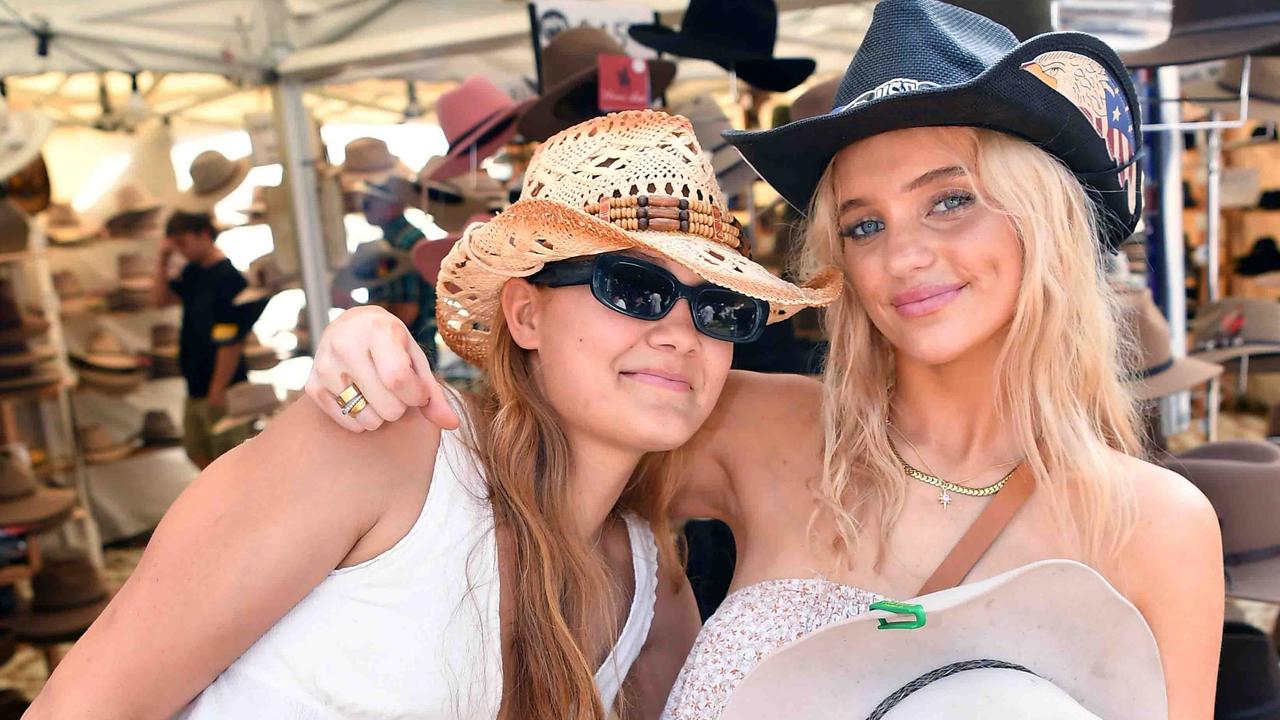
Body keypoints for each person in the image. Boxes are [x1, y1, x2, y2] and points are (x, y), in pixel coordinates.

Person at [302, 3, 1224, 718]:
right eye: (865, 224)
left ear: (1047, 224)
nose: (903, 256)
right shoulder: (746, 422)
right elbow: (505, 464)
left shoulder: (1154, 527)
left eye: (950, 202)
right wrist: (373, 347)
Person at [27, 111, 835, 720]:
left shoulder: (649, 593)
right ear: (525, 316)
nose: (679, 332)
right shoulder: (389, 451)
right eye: (633, 287)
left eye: (720, 308)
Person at [151, 210, 252, 468]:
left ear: (204, 234)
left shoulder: (228, 279)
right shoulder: (195, 273)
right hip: (196, 385)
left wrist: (218, 389)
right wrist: (162, 259)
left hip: (222, 386)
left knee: (231, 461)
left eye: (183, 243)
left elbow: (231, 338)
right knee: (198, 452)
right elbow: (159, 300)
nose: (181, 250)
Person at [355, 177, 439, 366]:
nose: (363, 206)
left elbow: (407, 310)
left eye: (370, 201)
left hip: (408, 353)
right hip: (414, 350)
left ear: (393, 205)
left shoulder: (402, 243)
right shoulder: (400, 239)